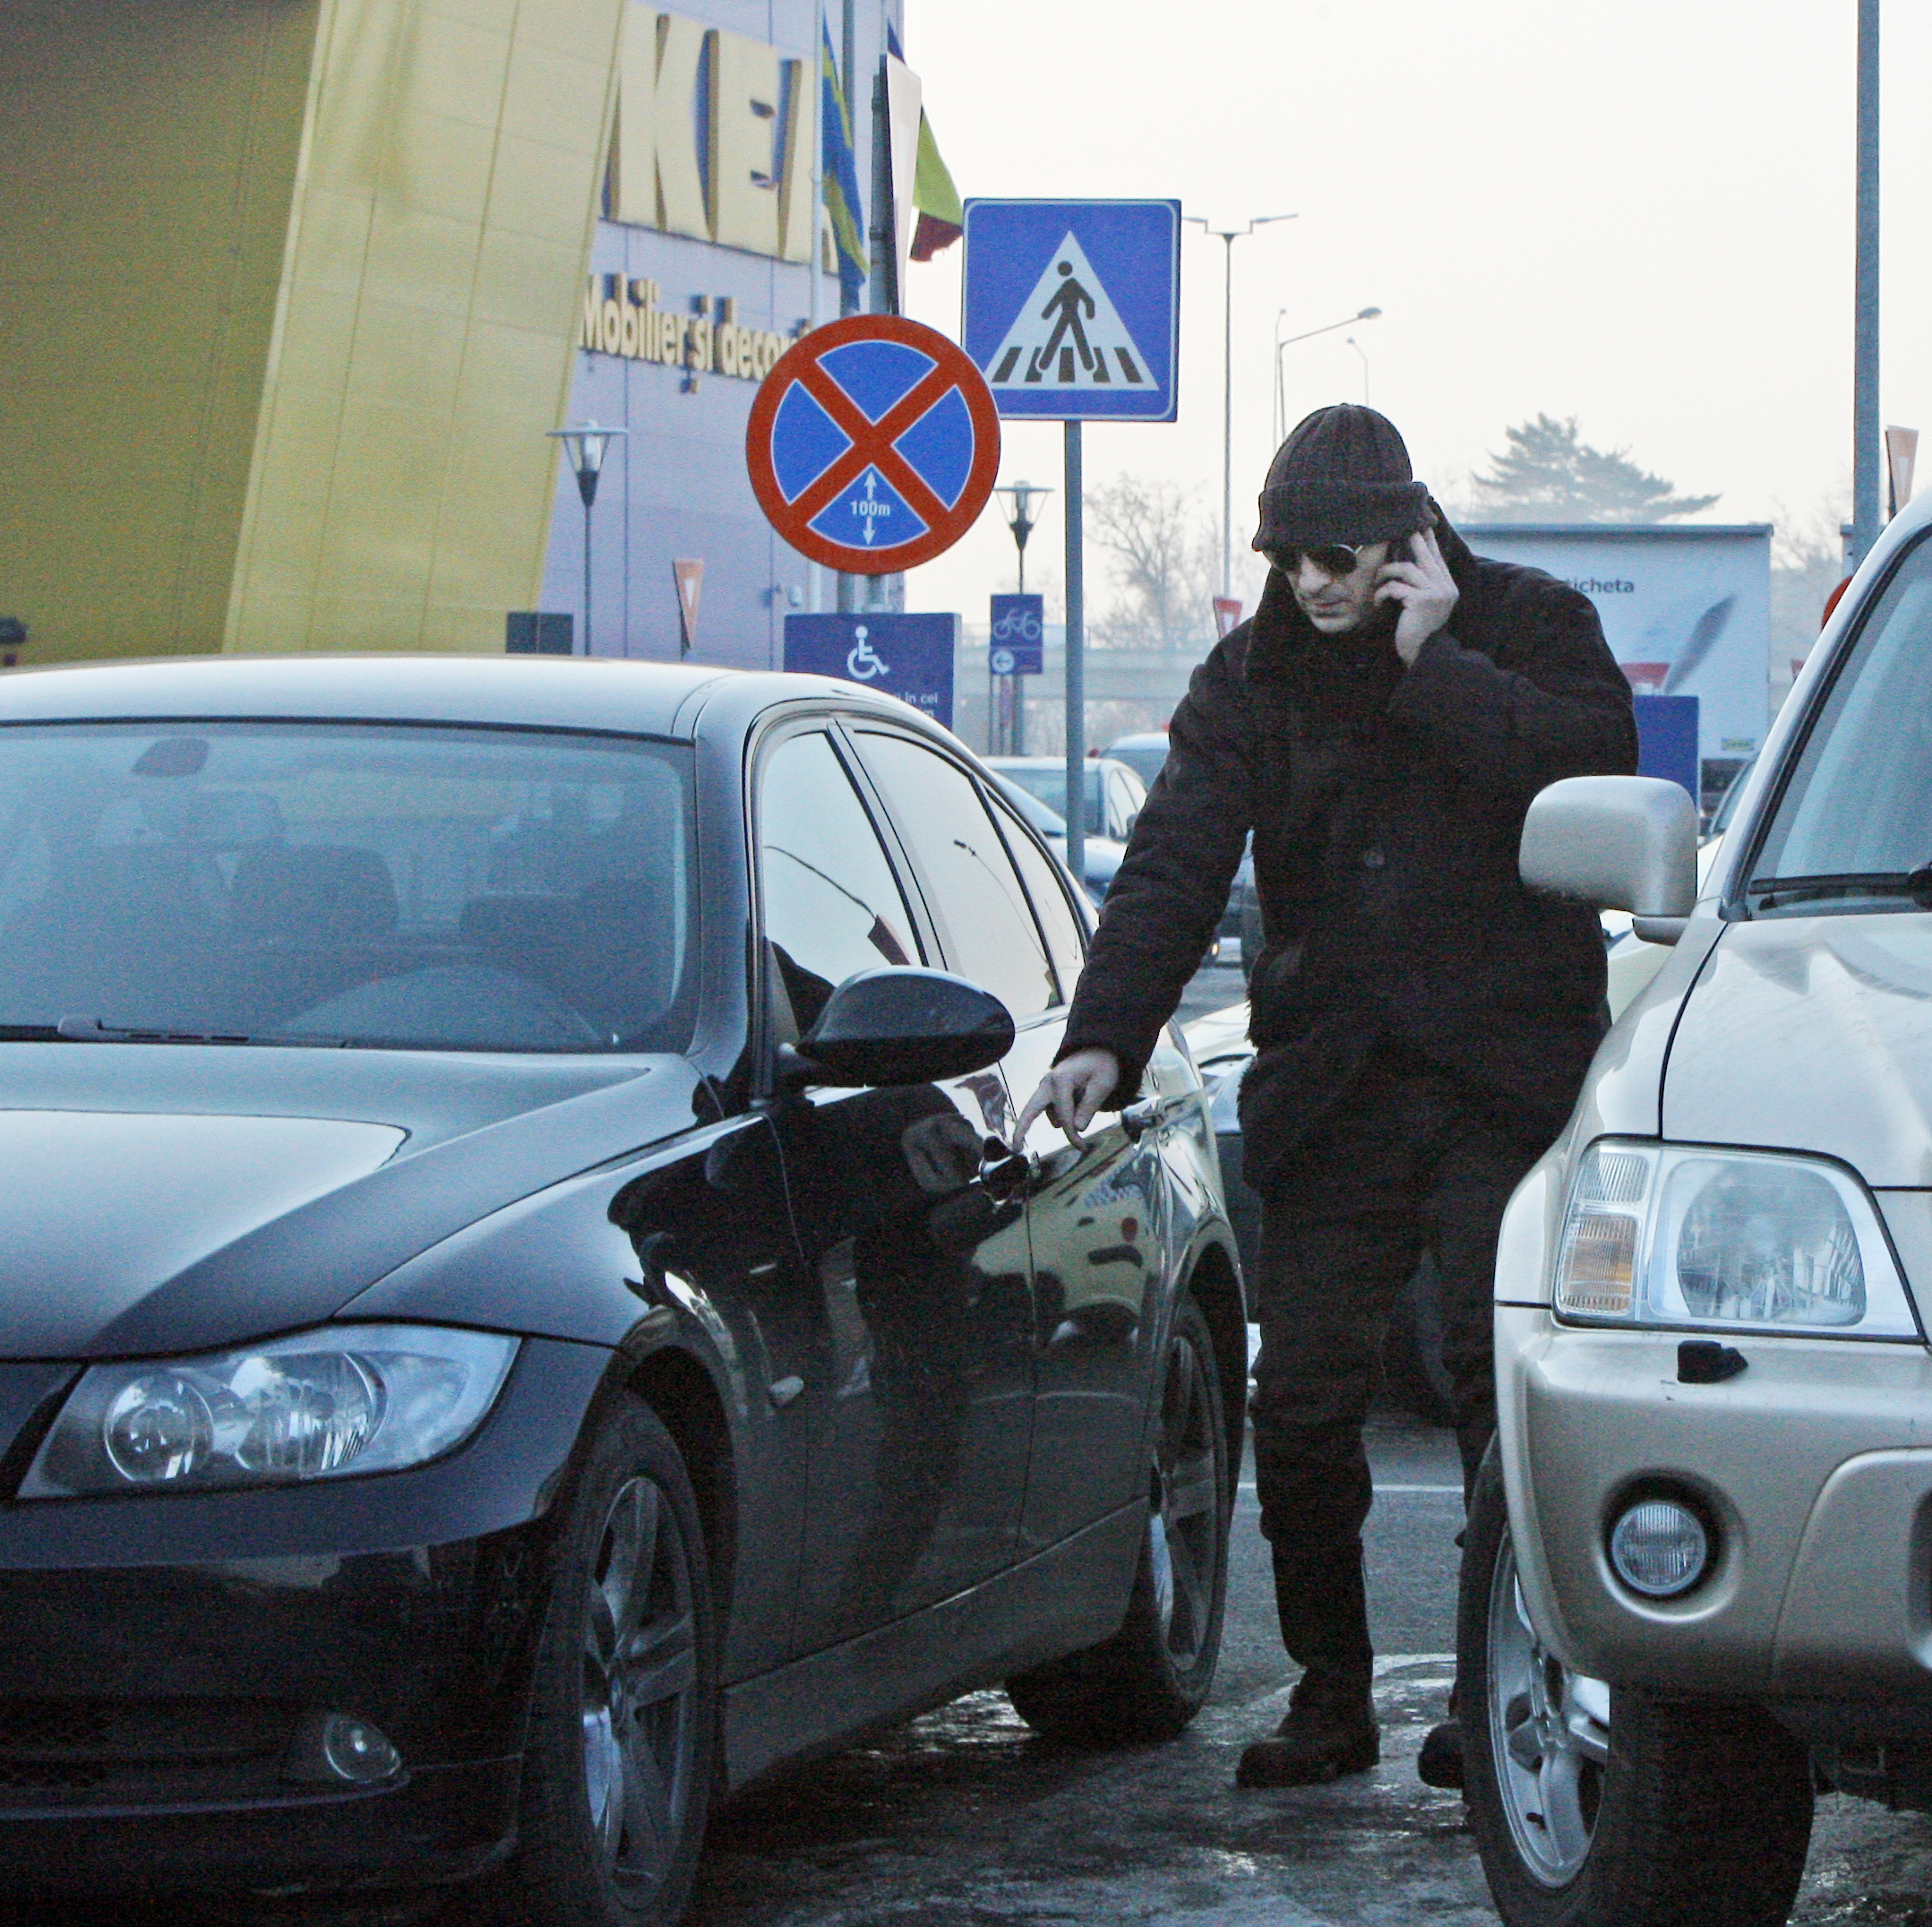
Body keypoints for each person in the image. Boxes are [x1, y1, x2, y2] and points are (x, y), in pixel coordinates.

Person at [1015, 404, 1636, 1790]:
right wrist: (1104, 1034)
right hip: (1334, 1091)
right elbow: (1174, 857)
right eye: (1288, 557)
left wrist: (1436, 662)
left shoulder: (1527, 626)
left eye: (1338, 556)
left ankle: (1505, 1692)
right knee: (1296, 1405)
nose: (1311, 583)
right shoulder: (1250, 677)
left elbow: (1591, 776)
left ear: (1408, 539)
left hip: (1501, 1083)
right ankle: (1329, 1691)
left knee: (1497, 1394)